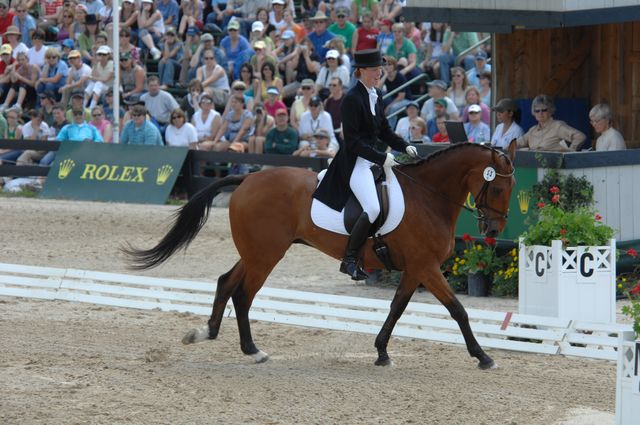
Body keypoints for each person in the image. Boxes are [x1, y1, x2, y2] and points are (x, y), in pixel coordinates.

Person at [313, 49, 418, 281]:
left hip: (373, 159)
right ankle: (349, 259)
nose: (379, 73)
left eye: (381, 69)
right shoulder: (352, 99)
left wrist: (403, 146)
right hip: (355, 162)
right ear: (361, 71)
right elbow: (353, 142)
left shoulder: (377, 95)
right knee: (373, 208)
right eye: (375, 69)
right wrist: (381, 158)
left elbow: (384, 131)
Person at [516, 94, 586, 152]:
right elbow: (517, 143)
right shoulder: (532, 130)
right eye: (537, 110)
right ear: (533, 112)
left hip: (554, 167)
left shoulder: (557, 126)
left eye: (544, 110)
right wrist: (505, 149)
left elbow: (580, 136)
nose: (540, 113)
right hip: (534, 166)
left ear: (550, 110)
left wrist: (570, 152)